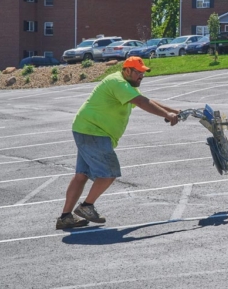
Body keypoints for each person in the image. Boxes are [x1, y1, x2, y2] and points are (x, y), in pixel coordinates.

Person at [56, 56, 180, 229]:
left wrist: (174, 111)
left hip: (86, 129)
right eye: (138, 72)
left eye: (143, 73)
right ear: (126, 70)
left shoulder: (125, 86)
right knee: (108, 173)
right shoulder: (118, 83)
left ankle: (65, 218)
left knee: (81, 175)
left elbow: (145, 99)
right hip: (94, 131)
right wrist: (167, 115)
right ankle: (86, 207)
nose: (141, 76)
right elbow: (142, 102)